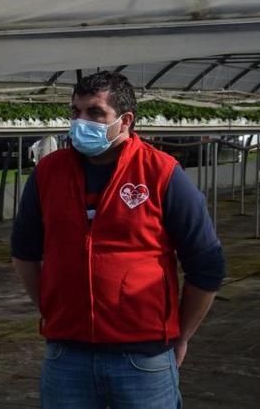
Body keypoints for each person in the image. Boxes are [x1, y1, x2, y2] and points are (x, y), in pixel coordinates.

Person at [11, 71, 225, 408]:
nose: (82, 121)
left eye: (95, 113)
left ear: (124, 121)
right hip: (67, 355)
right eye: (75, 112)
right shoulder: (48, 173)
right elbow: (24, 251)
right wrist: (53, 311)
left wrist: (180, 335)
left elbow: (208, 264)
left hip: (143, 358)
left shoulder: (161, 173)